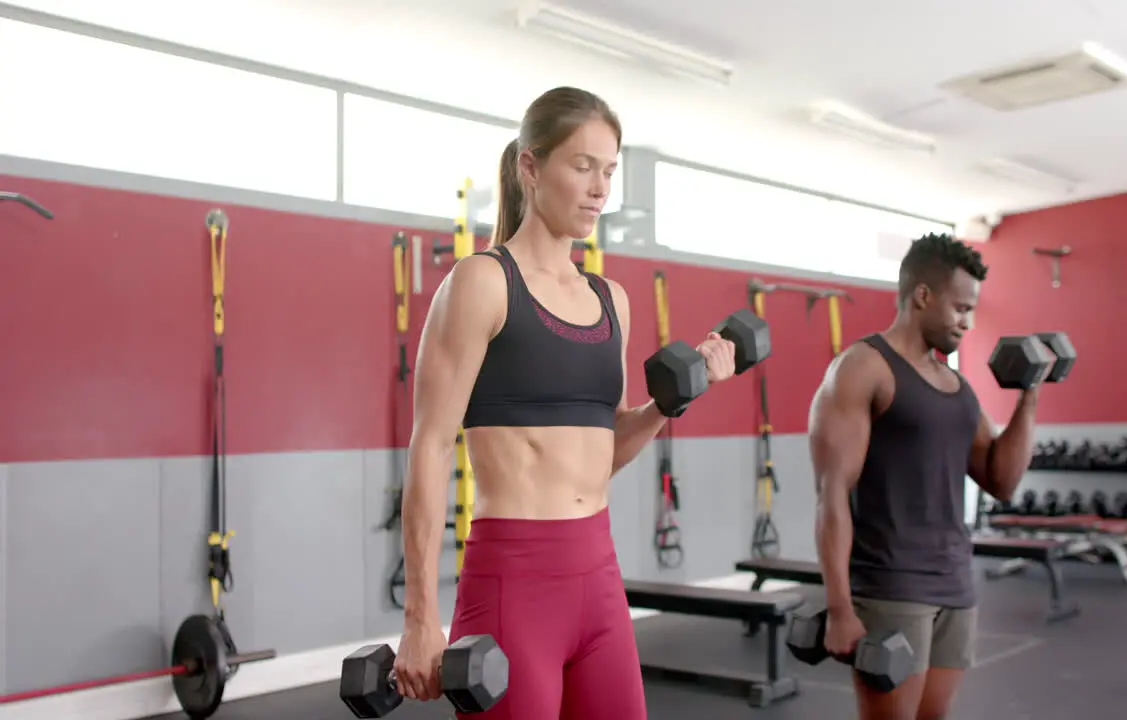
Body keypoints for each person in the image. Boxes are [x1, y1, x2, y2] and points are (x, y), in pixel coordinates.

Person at [391, 86, 741, 719]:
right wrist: (421, 617)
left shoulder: (613, 300)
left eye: (609, 170)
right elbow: (432, 445)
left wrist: (670, 404)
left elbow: (601, 453)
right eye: (582, 166)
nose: (599, 188)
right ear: (531, 167)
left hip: (600, 580)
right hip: (513, 581)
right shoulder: (482, 282)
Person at [808, 233, 1040, 720]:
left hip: (955, 586)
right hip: (890, 587)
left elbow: (1002, 481)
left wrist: (1029, 396)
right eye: (960, 308)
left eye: (972, 310)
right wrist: (839, 608)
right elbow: (831, 494)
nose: (966, 322)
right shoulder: (862, 368)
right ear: (922, 296)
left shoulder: (956, 386)